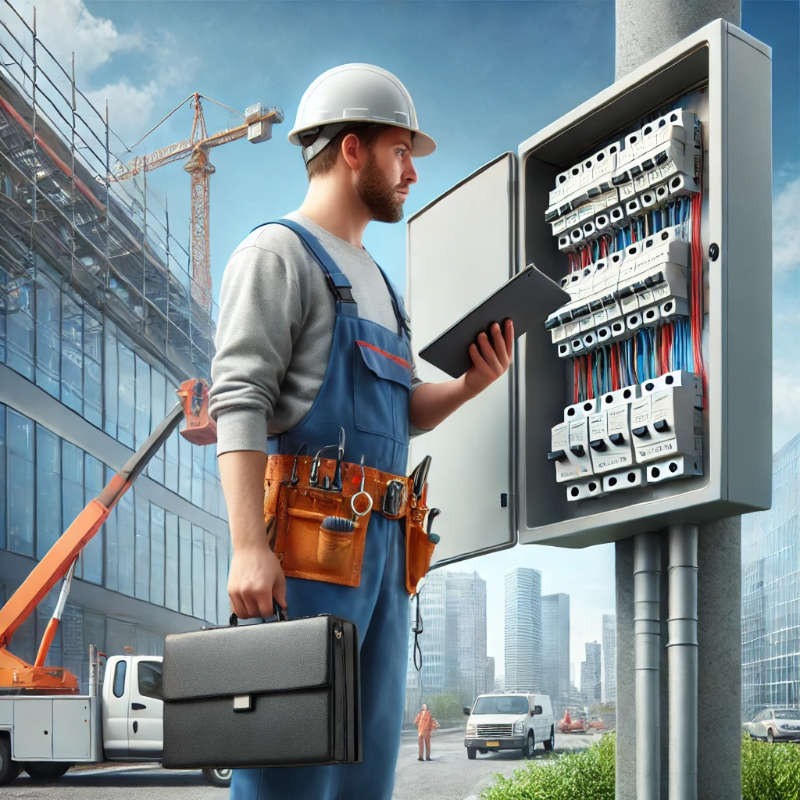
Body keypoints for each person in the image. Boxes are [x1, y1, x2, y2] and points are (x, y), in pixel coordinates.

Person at [209, 62, 513, 800]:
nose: (410, 172)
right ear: (352, 149)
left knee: (365, 771)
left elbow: (403, 406)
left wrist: (471, 384)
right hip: (308, 549)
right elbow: (239, 399)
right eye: (400, 151)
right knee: (290, 768)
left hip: (384, 551)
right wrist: (249, 546)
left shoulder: (380, 283)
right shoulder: (275, 254)